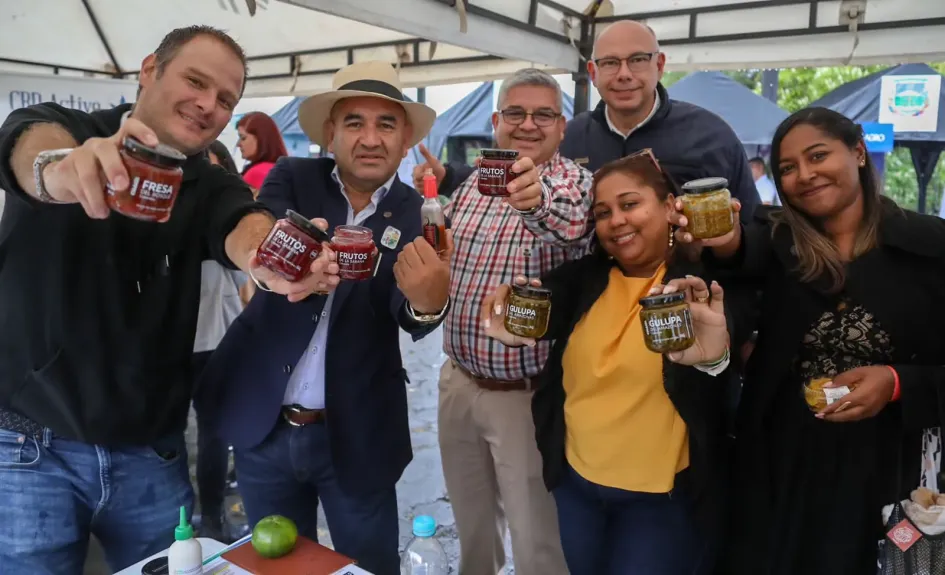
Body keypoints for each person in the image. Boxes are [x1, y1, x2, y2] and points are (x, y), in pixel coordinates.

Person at [0, 26, 336, 574]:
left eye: (226, 99)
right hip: (30, 445)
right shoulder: (74, 130)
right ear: (150, 69)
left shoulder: (208, 182)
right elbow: (27, 147)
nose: (208, 105)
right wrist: (61, 170)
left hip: (151, 452)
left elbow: (244, 224)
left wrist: (271, 258)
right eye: (196, 81)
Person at [195, 61, 450, 575]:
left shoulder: (416, 213)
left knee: (370, 564)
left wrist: (430, 301)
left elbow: (410, 313)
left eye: (387, 124)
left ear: (405, 140)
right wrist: (284, 261)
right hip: (264, 425)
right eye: (355, 122)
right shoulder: (292, 178)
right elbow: (260, 241)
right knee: (275, 564)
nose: (371, 138)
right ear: (331, 133)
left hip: (357, 434)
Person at [673, 107, 945, 575]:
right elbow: (737, 256)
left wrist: (897, 381)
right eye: (788, 168)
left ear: (859, 151)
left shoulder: (928, 247)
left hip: (886, 465)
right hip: (780, 459)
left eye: (818, 156)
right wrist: (717, 239)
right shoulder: (779, 242)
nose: (805, 175)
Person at [480, 151, 739, 575]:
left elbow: (722, 375)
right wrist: (509, 316)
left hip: (661, 501)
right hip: (577, 486)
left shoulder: (701, 286)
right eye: (602, 212)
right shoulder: (582, 279)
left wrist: (715, 359)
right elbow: (534, 312)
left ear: (671, 207)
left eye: (630, 204)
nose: (615, 220)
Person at [426, 68, 591, 575]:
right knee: (472, 530)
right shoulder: (476, 182)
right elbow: (443, 247)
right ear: (496, 121)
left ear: (562, 127)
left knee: (536, 539)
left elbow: (568, 224)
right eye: (516, 113)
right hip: (458, 381)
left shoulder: (573, 181)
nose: (528, 124)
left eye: (544, 114)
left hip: (525, 394)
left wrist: (534, 198)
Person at [420, 20, 759, 221]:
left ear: (660, 65)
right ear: (593, 73)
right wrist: (448, 176)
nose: (624, 74)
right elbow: (521, 174)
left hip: (687, 305)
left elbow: (753, 226)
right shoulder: (572, 134)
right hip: (589, 306)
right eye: (611, 63)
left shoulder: (711, 134)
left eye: (637, 60)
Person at [192, 140, 248, 541]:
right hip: (171, 344)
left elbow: (247, 283)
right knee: (171, 438)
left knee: (215, 435)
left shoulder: (236, 219)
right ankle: (185, 516)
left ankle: (212, 515)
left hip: (221, 340)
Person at [236, 111, 287, 192]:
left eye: (243, 138)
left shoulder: (257, 173)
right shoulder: (283, 170)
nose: (238, 144)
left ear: (261, 139)